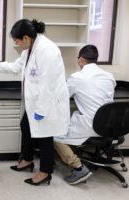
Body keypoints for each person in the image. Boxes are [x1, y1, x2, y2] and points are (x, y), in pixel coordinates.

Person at [0, 19, 70, 185]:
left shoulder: (47, 50)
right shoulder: (29, 50)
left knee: (45, 137)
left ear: (25, 37)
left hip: (47, 103)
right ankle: (27, 160)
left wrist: (42, 109)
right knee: (25, 126)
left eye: (16, 40)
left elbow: (48, 84)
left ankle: (45, 172)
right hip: (35, 102)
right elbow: (16, 67)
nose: (15, 44)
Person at [54, 45, 116, 185]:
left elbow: (62, 97)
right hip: (109, 125)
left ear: (81, 60)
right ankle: (76, 158)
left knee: (55, 135)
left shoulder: (77, 77)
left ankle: (78, 167)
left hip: (90, 124)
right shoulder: (109, 77)